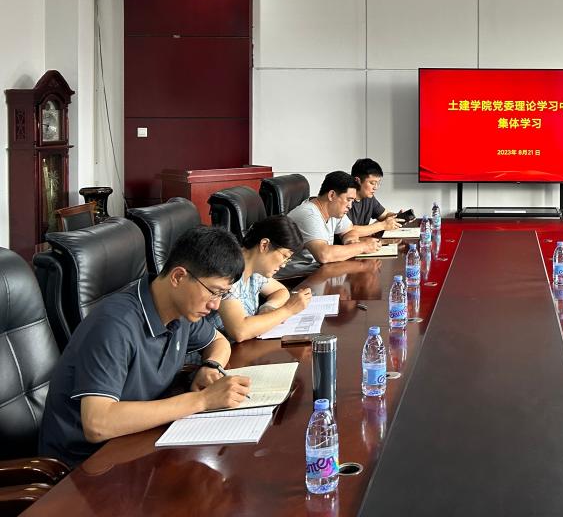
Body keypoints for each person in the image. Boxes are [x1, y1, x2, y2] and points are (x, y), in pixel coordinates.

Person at [39, 226, 252, 467]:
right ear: (178, 277)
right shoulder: (114, 324)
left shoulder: (182, 312)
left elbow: (218, 341)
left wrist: (210, 366)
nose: (216, 305)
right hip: (85, 467)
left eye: (223, 294)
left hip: (138, 443)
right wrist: (202, 400)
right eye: (214, 292)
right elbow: (97, 424)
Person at [206, 215, 313, 342]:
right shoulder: (228, 271)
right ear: (264, 245)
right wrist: (288, 310)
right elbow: (240, 331)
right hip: (219, 351)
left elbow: (281, 291)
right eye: (284, 256)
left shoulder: (256, 271)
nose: (284, 264)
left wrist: (267, 307)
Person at [287, 170, 383, 272]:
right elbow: (324, 255)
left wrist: (350, 241)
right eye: (348, 200)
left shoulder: (334, 211)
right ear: (332, 195)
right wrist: (362, 247)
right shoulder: (308, 214)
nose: (350, 206)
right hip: (298, 277)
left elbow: (349, 230)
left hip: (319, 271)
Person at [346, 158, 402, 237]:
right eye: (372, 183)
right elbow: (347, 231)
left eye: (378, 183)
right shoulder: (344, 199)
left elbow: (385, 215)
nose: (376, 187)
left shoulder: (369, 197)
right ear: (357, 181)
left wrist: (398, 217)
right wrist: (382, 225)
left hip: (362, 242)